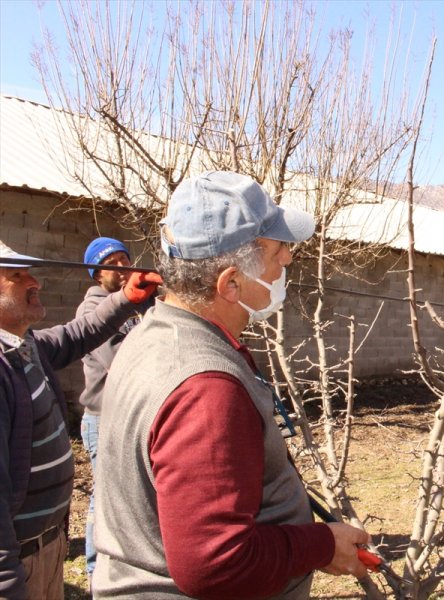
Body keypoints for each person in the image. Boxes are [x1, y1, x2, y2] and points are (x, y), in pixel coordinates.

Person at [93, 171, 369, 598]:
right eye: (279, 250)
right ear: (231, 283)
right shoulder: (205, 390)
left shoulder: (156, 330)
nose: (288, 261)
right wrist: (321, 545)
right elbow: (216, 565)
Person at [0, 240, 161, 600]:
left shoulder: (25, 346)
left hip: (46, 546)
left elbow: (76, 335)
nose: (34, 283)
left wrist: (126, 299)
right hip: (18, 562)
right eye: (16, 276)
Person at [76, 237, 156, 583]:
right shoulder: (92, 311)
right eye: (113, 264)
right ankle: (96, 567)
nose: (123, 268)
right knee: (106, 495)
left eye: (126, 260)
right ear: (97, 275)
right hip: (103, 418)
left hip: (129, 416)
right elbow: (121, 361)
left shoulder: (134, 307)